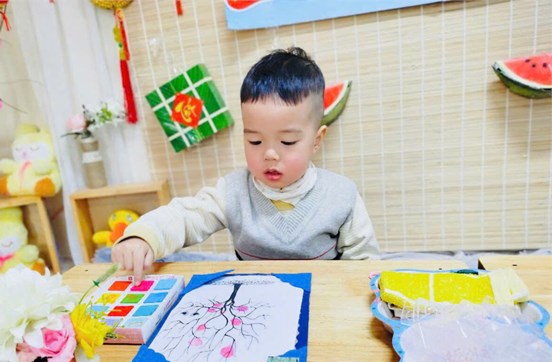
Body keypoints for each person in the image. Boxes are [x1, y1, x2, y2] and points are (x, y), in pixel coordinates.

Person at [113, 47, 380, 283]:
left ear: (316, 140)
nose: (270, 154)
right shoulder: (232, 192)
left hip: (322, 301)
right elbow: (186, 216)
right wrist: (143, 236)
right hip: (253, 304)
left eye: (287, 142)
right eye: (255, 141)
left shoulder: (341, 195)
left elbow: (364, 264)